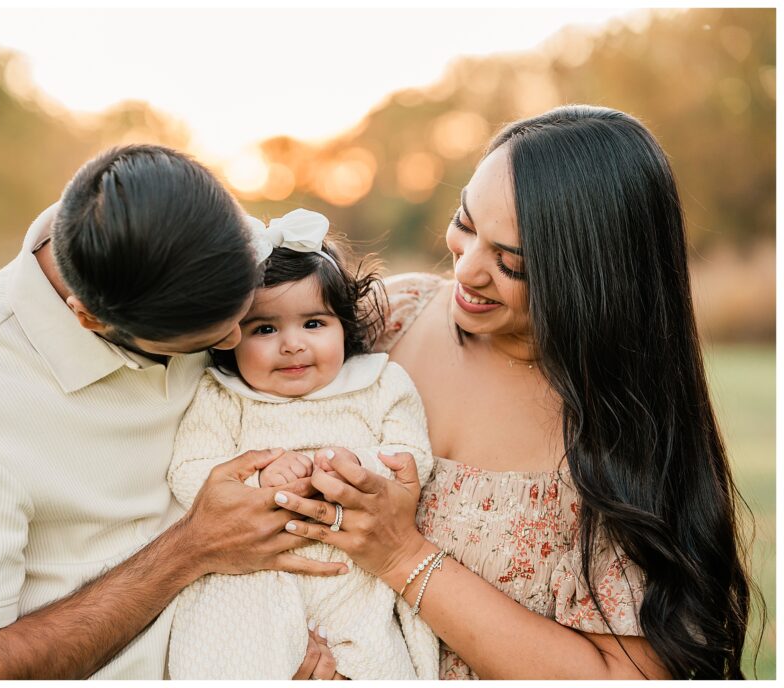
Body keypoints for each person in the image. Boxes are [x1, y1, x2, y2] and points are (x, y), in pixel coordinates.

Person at [271, 105, 757, 679]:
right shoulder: (385, 320)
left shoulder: (623, 433)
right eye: (466, 223)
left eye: (511, 263)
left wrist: (402, 556)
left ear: (594, 279)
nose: (468, 270)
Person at [0, 144, 347, 680]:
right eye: (210, 339)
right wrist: (192, 548)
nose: (237, 343)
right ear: (92, 321)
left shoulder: (193, 230)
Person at [165, 209, 438, 679]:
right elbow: (188, 471)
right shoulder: (222, 395)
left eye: (314, 323)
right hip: (251, 583)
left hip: (353, 577)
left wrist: (360, 466)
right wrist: (257, 479)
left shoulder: (379, 383)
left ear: (344, 326)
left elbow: (414, 456)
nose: (292, 345)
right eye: (265, 329)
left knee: (375, 658)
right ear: (230, 337)